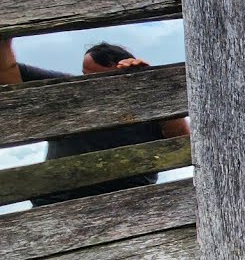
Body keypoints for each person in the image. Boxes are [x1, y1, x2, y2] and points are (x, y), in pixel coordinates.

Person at [1, 36, 190, 206]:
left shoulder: (149, 101)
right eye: (86, 75)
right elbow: (8, 74)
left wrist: (152, 85)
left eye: (100, 77)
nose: (90, 83)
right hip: (58, 202)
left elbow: (181, 140)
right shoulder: (69, 89)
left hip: (127, 205)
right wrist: (5, 40)